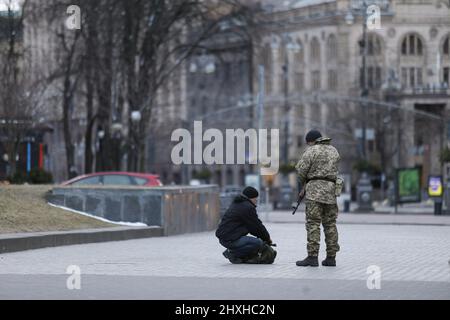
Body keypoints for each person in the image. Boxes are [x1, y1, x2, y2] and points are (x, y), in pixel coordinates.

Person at [295, 130, 341, 267]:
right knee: (330, 224)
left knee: (313, 223)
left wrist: (304, 184)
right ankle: (331, 258)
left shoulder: (311, 151)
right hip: (331, 190)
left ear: (311, 141)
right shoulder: (334, 150)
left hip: (314, 191)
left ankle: (312, 257)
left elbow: (301, 171)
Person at [216, 186, 276, 264]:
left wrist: (264, 237)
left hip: (225, 238)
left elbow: (253, 227)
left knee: (255, 242)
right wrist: (267, 238)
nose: (256, 201)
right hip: (231, 239)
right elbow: (257, 226)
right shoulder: (247, 207)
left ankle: (236, 254)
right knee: (258, 243)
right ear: (251, 198)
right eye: (255, 199)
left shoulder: (237, 204)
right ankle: (233, 253)